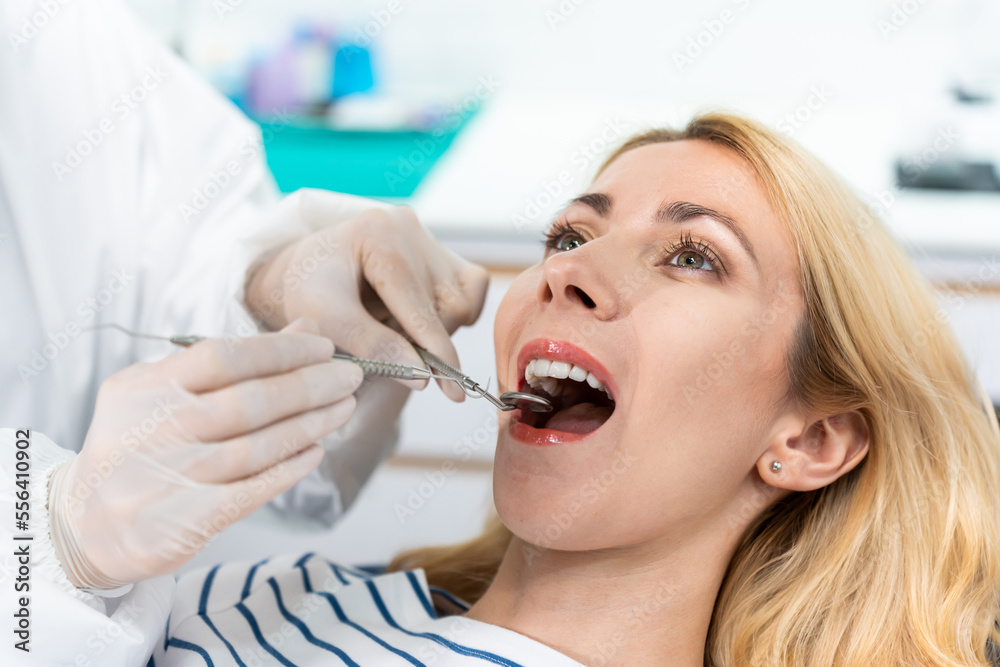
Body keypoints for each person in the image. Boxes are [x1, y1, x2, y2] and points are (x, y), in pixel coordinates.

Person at [5, 111, 1000, 666]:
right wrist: (46, 542)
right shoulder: (304, 598)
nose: (566, 272)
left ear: (814, 438)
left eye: (692, 256)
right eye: (569, 234)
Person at [0, 0, 488, 527]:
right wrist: (50, 547)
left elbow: (183, 268)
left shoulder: (56, 36)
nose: (564, 280)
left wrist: (267, 288)